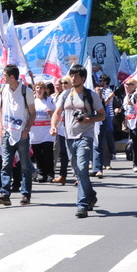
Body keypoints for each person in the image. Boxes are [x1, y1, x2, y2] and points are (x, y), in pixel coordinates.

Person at [50, 65, 105, 219]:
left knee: (82, 168)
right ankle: (91, 194)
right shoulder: (65, 94)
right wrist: (53, 126)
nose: (73, 79)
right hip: (69, 137)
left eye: (76, 76)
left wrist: (88, 119)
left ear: (83, 78)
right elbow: (57, 113)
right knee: (78, 171)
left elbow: (102, 115)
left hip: (85, 136)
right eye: (72, 76)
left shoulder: (91, 95)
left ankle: (82, 205)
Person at [0, 64, 36, 206]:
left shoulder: (26, 91)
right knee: (6, 164)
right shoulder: (3, 90)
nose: (3, 78)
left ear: (12, 77)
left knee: (25, 165)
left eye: (5, 75)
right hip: (7, 132)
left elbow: (32, 113)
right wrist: (1, 128)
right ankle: (5, 194)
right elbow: (0, 109)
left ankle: (26, 194)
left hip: (21, 132)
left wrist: (26, 130)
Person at [29, 81, 55, 184]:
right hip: (35, 131)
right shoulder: (32, 101)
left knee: (47, 152)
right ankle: (41, 173)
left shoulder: (50, 100)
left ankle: (50, 173)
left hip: (47, 131)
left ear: (44, 90)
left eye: (41, 88)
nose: (39, 90)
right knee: (38, 154)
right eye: (37, 88)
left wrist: (51, 113)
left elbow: (56, 114)